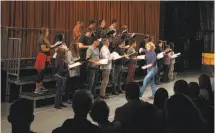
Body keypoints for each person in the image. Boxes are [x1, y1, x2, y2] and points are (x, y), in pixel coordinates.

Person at [34, 27, 52, 94]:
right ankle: (37, 88)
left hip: (46, 57)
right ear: (44, 32)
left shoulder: (45, 39)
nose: (48, 33)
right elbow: (44, 49)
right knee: (40, 73)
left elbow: (48, 47)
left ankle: (41, 86)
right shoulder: (41, 39)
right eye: (47, 31)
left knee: (43, 73)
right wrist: (51, 48)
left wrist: (51, 47)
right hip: (42, 57)